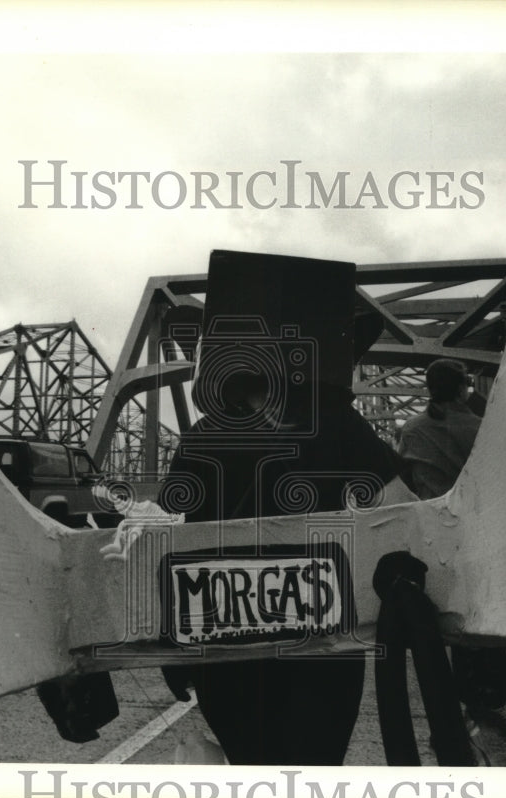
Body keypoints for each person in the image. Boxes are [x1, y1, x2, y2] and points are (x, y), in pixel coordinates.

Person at [157, 250, 414, 765]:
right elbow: (401, 514)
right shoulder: (339, 427)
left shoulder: (203, 435)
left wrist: (171, 648)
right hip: (321, 646)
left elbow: (167, 538)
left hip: (224, 644)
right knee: (314, 774)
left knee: (254, 767)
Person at [396, 358, 506, 736]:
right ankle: (491, 697)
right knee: (485, 615)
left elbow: (405, 481)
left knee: (448, 617)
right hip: (481, 532)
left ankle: (456, 709)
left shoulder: (413, 431)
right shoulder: (482, 429)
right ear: (463, 389)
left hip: (436, 537)